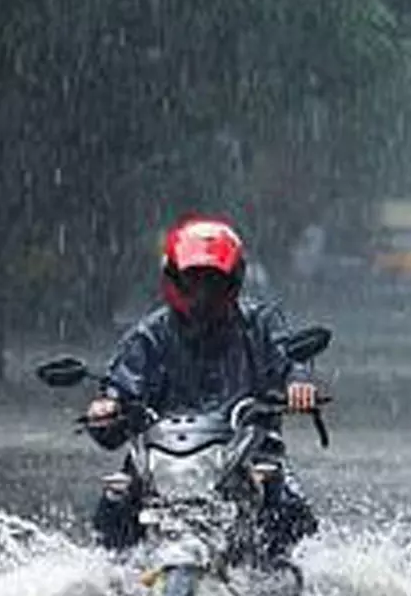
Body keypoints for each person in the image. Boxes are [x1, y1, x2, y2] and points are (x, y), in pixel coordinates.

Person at [84, 213, 320, 562]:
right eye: (192, 281)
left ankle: (282, 577)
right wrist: (108, 405)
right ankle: (114, 576)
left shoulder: (261, 323)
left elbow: (288, 358)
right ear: (172, 278)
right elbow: (121, 386)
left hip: (245, 451)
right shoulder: (149, 335)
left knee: (289, 509)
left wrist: (298, 383)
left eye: (213, 282)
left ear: (234, 280)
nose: (202, 293)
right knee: (114, 505)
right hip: (161, 457)